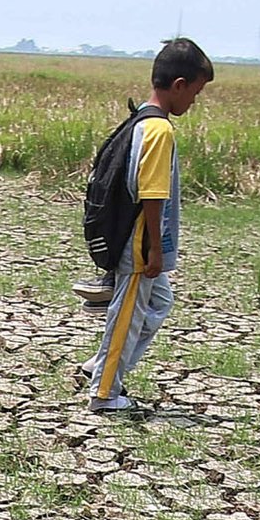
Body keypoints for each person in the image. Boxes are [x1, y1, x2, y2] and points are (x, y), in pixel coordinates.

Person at [83, 38, 213, 416]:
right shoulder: (159, 131)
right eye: (196, 92)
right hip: (139, 241)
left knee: (159, 301)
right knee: (128, 314)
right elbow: (152, 193)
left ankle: (100, 365)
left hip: (130, 237)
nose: (194, 101)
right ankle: (105, 392)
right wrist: (155, 248)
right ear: (179, 86)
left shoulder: (139, 118)